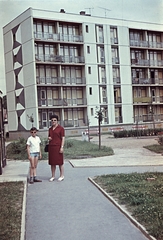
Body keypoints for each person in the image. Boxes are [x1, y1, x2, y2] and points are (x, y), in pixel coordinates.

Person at [48, 114, 65, 182]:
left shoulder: (61, 128)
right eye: (52, 120)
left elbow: (63, 138)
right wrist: (49, 138)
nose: (53, 121)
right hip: (51, 147)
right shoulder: (50, 129)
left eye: (55, 120)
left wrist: (62, 147)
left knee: (60, 162)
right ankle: (53, 176)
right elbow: (50, 137)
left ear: (57, 121)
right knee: (52, 163)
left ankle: (61, 175)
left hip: (58, 147)